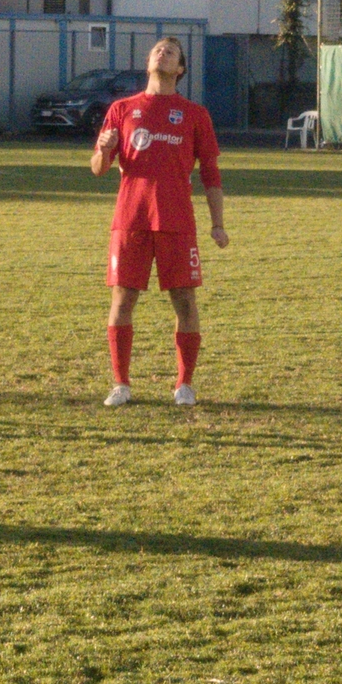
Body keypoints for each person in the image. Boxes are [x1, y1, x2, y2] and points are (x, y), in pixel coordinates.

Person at [91, 36, 228, 407]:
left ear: (180, 69)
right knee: (123, 298)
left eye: (170, 52)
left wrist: (217, 223)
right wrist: (104, 149)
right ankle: (121, 384)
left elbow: (211, 173)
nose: (161, 53)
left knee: (184, 301)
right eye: (157, 50)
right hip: (130, 219)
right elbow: (98, 168)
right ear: (148, 61)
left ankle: (184, 385)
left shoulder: (195, 115)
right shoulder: (122, 109)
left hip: (177, 221)